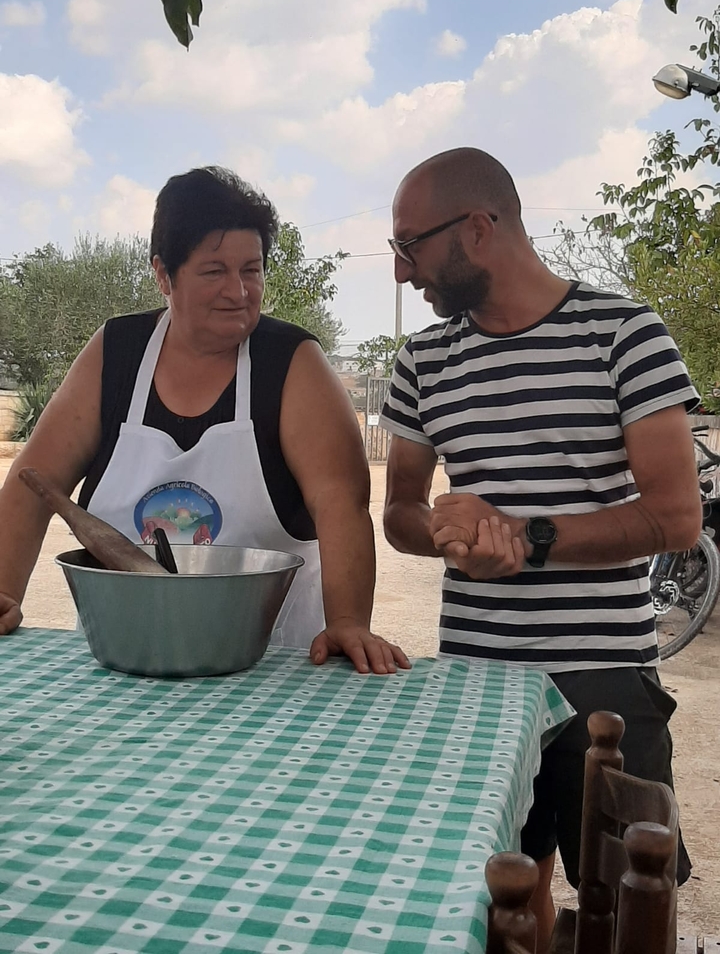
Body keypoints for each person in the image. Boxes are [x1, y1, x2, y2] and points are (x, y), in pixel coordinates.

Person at [380, 147, 699, 950]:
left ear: (479, 229)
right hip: (477, 681)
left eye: (410, 246)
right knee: (498, 903)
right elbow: (399, 513)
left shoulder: (626, 334)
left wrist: (528, 539)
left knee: (631, 907)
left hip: (603, 679)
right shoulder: (422, 362)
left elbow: (675, 518)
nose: (400, 272)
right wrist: (448, 533)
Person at [0, 166, 409, 678]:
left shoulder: (292, 363)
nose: (237, 291)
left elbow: (341, 506)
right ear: (163, 274)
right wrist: (3, 592)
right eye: (214, 271)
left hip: (267, 670)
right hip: (126, 665)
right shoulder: (117, 352)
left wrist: (349, 620)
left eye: (251, 270)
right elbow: (32, 483)